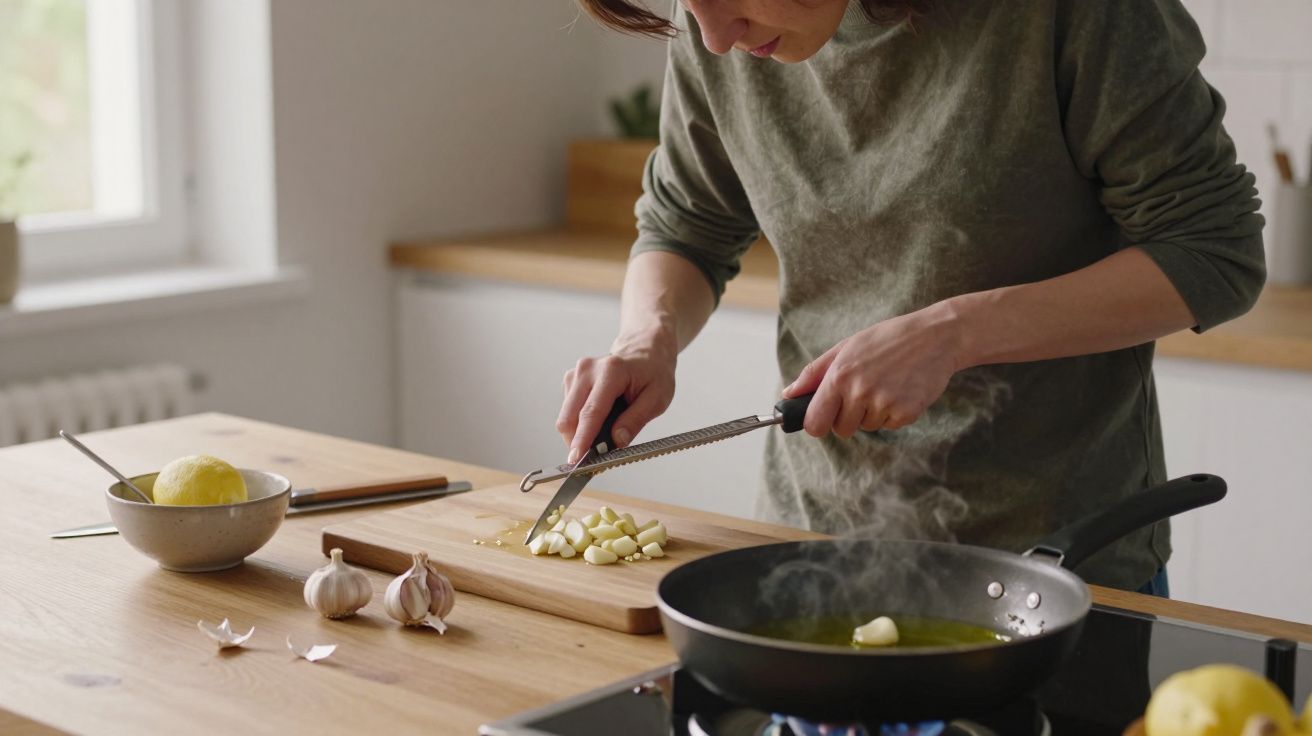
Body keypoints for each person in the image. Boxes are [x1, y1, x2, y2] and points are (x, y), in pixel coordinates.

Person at [556, 0, 1264, 594]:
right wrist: (646, 339)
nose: (714, 37)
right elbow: (687, 225)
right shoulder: (723, 23)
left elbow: (1213, 250)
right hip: (812, 543)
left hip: (1058, 560)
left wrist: (954, 332)